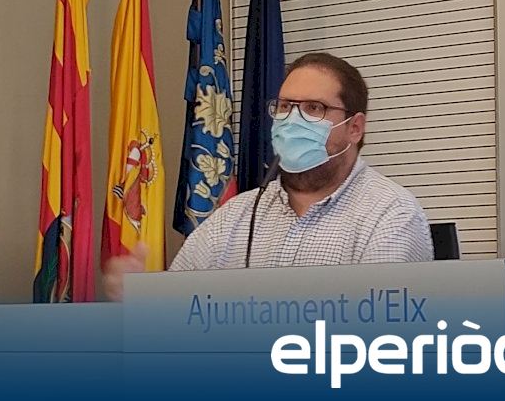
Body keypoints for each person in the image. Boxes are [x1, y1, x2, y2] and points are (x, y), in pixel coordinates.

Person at [104, 52, 433, 301]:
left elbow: (379, 337)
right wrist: (143, 298)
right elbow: (180, 313)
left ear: (355, 128)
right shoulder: (235, 216)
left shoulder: (391, 214)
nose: (293, 120)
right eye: (286, 106)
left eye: (314, 108)